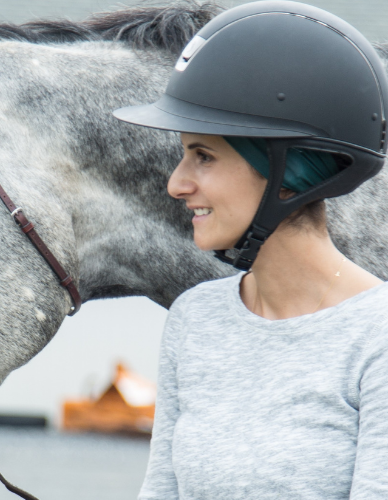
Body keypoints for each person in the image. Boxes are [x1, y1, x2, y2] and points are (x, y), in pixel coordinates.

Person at [113, 1, 388, 498]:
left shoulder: (377, 338)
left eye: (204, 156)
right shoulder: (195, 318)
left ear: (288, 171)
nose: (176, 184)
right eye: (183, 155)